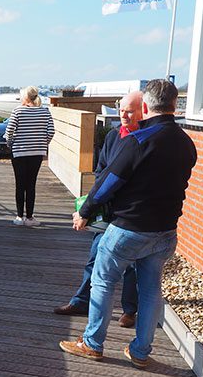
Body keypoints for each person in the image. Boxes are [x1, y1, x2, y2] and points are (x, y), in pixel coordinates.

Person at [59, 79, 197, 368]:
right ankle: (140, 351)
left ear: (145, 106)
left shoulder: (139, 141)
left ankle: (92, 343)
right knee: (150, 290)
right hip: (166, 231)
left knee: (102, 281)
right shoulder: (186, 142)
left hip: (130, 228)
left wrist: (85, 211)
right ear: (175, 105)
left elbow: (108, 182)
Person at [53, 91, 143, 328]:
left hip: (130, 214)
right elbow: (101, 169)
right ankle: (82, 300)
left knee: (131, 265)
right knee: (94, 257)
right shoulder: (113, 136)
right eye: (121, 109)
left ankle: (129, 310)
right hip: (107, 208)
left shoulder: (145, 140)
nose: (124, 114)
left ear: (144, 111)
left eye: (130, 110)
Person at [5, 86, 54, 227]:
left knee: (20, 184)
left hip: (19, 152)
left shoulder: (18, 111)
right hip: (37, 153)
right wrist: (42, 144)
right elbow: (51, 132)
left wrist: (11, 144)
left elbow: (9, 131)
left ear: (25, 98)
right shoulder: (45, 111)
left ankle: (19, 217)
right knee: (31, 184)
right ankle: (30, 217)